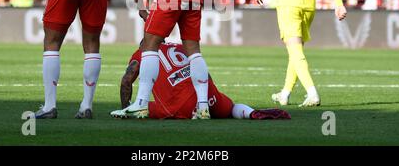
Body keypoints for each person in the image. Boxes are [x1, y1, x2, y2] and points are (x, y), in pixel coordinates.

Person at [110, 42, 291, 120]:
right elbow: (204, 74)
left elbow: (127, 81)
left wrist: (125, 106)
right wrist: (209, 96)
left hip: (180, 105)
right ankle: (251, 113)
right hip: (206, 95)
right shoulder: (179, 46)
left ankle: (129, 110)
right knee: (230, 108)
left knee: (141, 107)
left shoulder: (142, 52)